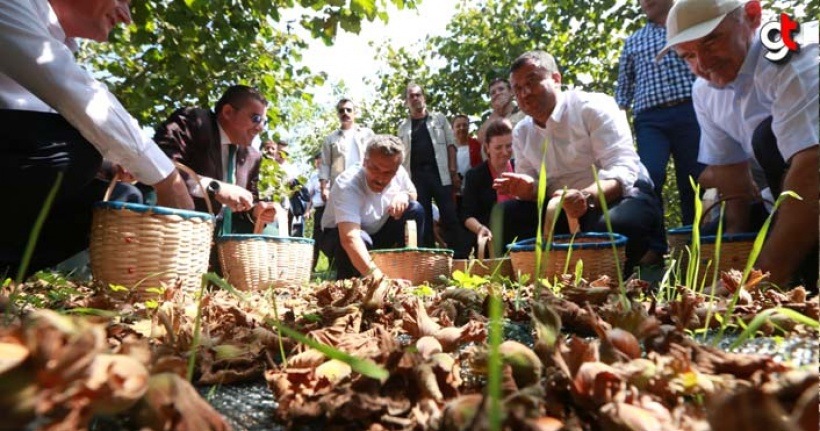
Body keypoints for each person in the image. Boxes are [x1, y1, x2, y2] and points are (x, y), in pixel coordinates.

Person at [0, 0, 194, 276]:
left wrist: (105, 165)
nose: (126, 17)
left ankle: (8, 272)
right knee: (76, 151)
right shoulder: (9, 7)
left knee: (119, 198)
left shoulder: (56, 44)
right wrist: (167, 179)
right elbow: (77, 95)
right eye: (123, 0)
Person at [657, 0, 818, 288]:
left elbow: (812, 168)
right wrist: (732, 251)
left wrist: (761, 279)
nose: (703, 65)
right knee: (710, 235)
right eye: (689, 56)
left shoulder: (794, 56)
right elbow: (731, 175)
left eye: (711, 41)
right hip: (782, 195)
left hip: (807, 182)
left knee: (766, 138)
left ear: (752, 16)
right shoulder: (705, 90)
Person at [494, 50, 666, 273]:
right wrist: (528, 188)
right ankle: (535, 280)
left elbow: (622, 167)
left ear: (556, 79)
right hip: (562, 206)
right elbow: (535, 185)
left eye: (532, 82)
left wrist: (587, 196)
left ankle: (641, 265)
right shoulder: (522, 132)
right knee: (506, 215)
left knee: (612, 227)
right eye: (517, 89)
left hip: (613, 196)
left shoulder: (591, 107)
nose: (525, 94)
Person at [615, 0, 702, 225]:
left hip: (691, 112)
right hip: (650, 120)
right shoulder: (634, 41)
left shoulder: (689, 30)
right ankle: (653, 246)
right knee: (648, 177)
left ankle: (696, 242)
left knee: (694, 178)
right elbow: (623, 92)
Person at [154, 85, 277, 234]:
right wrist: (215, 188)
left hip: (225, 246)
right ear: (228, 112)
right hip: (177, 231)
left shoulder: (252, 157)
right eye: (256, 118)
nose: (261, 127)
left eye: (265, 121)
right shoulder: (194, 122)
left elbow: (249, 202)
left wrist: (257, 211)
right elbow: (160, 164)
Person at [321, 135, 425, 280]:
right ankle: (349, 278)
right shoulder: (347, 184)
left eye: (388, 172)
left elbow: (413, 193)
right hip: (339, 236)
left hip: (377, 232)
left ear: (396, 169)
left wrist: (404, 196)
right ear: (365, 162)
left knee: (415, 209)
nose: (380, 178)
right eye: (375, 168)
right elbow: (349, 238)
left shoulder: (399, 173)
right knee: (361, 239)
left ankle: (407, 271)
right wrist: (379, 279)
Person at [398, 83, 461, 254]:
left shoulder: (439, 119)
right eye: (411, 96)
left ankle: (459, 257)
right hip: (416, 177)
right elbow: (400, 157)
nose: (415, 98)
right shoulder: (403, 128)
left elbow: (451, 144)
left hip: (440, 174)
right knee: (423, 218)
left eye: (418, 95)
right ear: (406, 102)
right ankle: (430, 258)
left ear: (423, 97)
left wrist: (453, 171)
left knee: (449, 215)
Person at [461, 119, 515, 258]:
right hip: (491, 240)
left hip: (520, 238)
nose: (505, 152)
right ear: (487, 148)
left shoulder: (521, 167)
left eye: (508, 146)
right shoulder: (474, 175)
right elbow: (467, 215)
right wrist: (480, 229)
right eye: (498, 147)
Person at [319, 98, 375, 200]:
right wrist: (324, 188)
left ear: (355, 113)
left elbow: (377, 157)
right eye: (341, 111)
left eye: (349, 110)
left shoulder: (367, 134)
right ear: (338, 115)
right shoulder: (330, 139)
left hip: (365, 184)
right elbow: (325, 165)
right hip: (340, 188)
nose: (345, 113)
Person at [476, 78, 527, 146]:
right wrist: (496, 111)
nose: (497, 93)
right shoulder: (491, 120)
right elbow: (480, 139)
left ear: (511, 92)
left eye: (501, 89)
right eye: (493, 93)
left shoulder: (524, 112)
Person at [305, 153, 326, 271]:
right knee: (316, 238)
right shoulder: (313, 176)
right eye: (317, 163)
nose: (319, 165)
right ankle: (311, 267)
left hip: (330, 209)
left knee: (331, 236)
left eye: (321, 162)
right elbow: (310, 195)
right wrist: (307, 210)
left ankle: (333, 264)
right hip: (318, 211)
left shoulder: (331, 174)